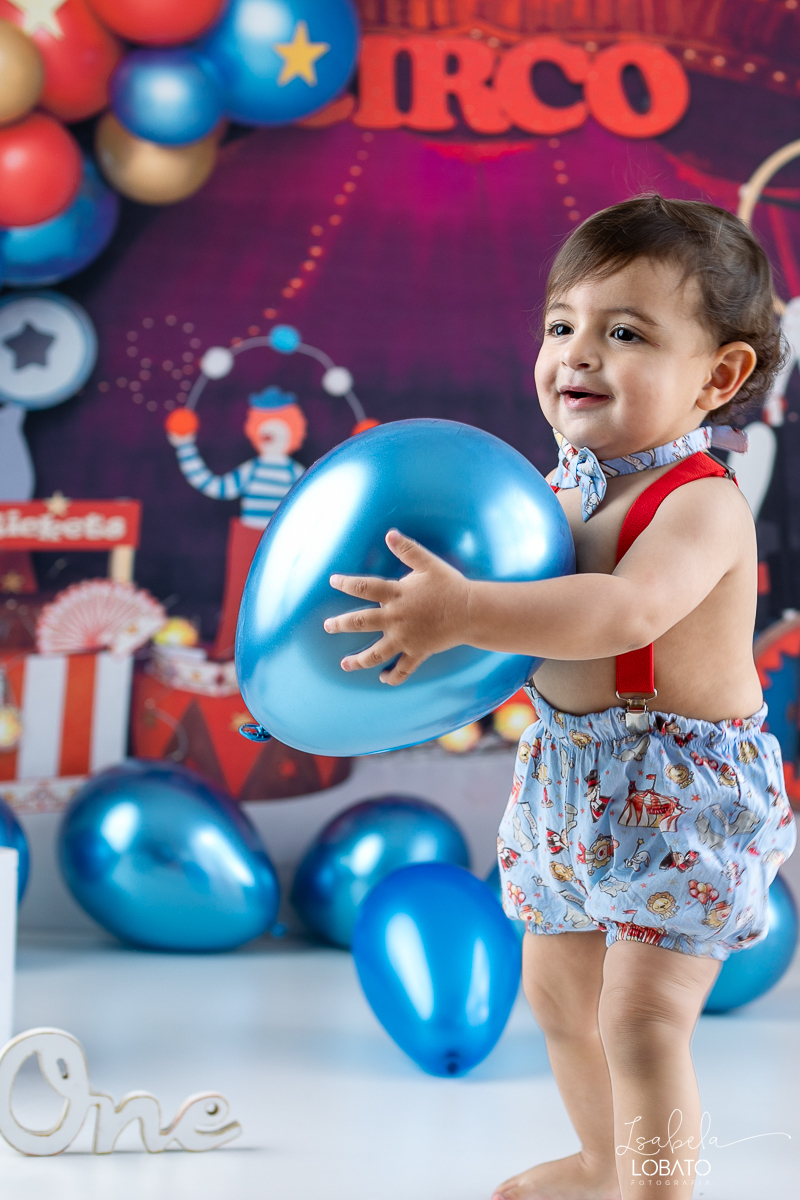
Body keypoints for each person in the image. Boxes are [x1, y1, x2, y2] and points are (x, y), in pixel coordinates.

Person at [322, 195, 798, 1199]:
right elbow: (512, 635)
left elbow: (620, 611)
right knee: (557, 996)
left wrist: (467, 609)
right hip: (568, 778)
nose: (577, 353)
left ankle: (659, 1187)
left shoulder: (697, 502)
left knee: (640, 1018)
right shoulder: (552, 491)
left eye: (623, 333)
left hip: (683, 796)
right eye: (561, 324)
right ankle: (603, 1161)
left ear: (716, 377)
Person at [165, 384, 306, 528]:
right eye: (265, 432)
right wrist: (185, 448)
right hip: (248, 538)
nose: (269, 435)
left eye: (278, 430)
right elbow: (216, 486)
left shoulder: (296, 474)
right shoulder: (252, 470)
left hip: (283, 539)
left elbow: (313, 502)